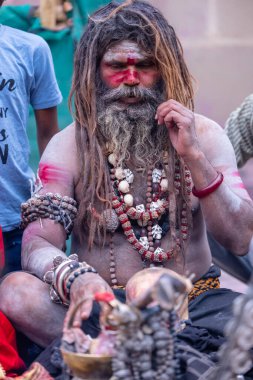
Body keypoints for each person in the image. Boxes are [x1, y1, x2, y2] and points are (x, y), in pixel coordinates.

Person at [0, 0, 253, 372]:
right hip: (103, 310)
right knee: (15, 290)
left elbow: (240, 239)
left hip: (194, 306)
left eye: (145, 66)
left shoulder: (204, 136)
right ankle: (132, 355)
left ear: (164, 71)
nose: (131, 80)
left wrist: (195, 159)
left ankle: (128, 360)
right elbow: (38, 243)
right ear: (94, 72)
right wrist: (77, 279)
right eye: (117, 67)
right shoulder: (70, 145)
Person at [0, 0, 62, 274]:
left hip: (14, 221)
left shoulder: (30, 49)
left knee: (18, 305)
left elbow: (48, 135)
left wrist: (53, 201)